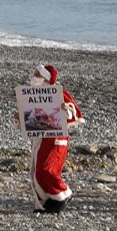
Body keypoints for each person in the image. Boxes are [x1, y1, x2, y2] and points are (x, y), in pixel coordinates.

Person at [22, 65, 85, 213]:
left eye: (38, 75)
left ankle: (62, 194)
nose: (34, 77)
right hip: (41, 138)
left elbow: (73, 113)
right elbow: (31, 117)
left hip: (56, 138)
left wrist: (64, 109)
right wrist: (20, 118)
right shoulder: (34, 95)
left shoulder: (59, 93)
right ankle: (47, 200)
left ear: (45, 78)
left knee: (47, 169)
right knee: (37, 171)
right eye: (34, 74)